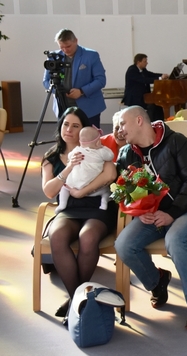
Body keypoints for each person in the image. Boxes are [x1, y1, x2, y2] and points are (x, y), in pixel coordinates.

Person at [114, 106, 187, 331]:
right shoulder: (127, 153)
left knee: (175, 240)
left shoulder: (177, 142)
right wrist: (140, 210)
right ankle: (157, 281)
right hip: (153, 215)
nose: (119, 129)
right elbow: (125, 190)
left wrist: (172, 213)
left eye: (122, 124)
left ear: (139, 120)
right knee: (124, 245)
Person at [41, 107, 117, 324]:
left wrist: (82, 191)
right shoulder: (51, 157)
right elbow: (49, 191)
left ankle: (74, 303)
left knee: (88, 237)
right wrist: (68, 168)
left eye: (75, 126)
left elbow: (110, 174)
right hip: (69, 208)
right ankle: (79, 300)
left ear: (83, 130)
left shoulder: (96, 148)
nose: (69, 130)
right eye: (66, 124)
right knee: (57, 236)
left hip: (98, 206)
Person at [43, 29, 107, 127]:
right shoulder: (53, 57)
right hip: (63, 107)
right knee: (66, 135)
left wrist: (81, 91)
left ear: (76, 41)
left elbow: (100, 80)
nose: (65, 50)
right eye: (61, 47)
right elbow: (46, 81)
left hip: (89, 108)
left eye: (68, 46)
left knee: (89, 135)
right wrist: (58, 91)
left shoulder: (91, 55)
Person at [55, 126, 114, 214]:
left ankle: (62, 204)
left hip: (74, 186)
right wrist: (102, 147)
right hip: (93, 190)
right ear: (98, 142)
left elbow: (70, 156)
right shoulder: (101, 152)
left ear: (80, 142)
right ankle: (104, 203)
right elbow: (110, 156)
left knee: (64, 188)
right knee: (106, 191)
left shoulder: (77, 151)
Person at [123, 53, 169, 121]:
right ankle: (149, 122)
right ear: (138, 62)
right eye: (145, 61)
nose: (147, 63)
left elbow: (151, 74)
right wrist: (160, 78)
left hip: (143, 95)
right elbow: (144, 80)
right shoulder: (132, 70)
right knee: (152, 106)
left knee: (158, 104)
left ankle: (159, 122)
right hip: (134, 97)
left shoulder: (143, 70)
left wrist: (162, 75)